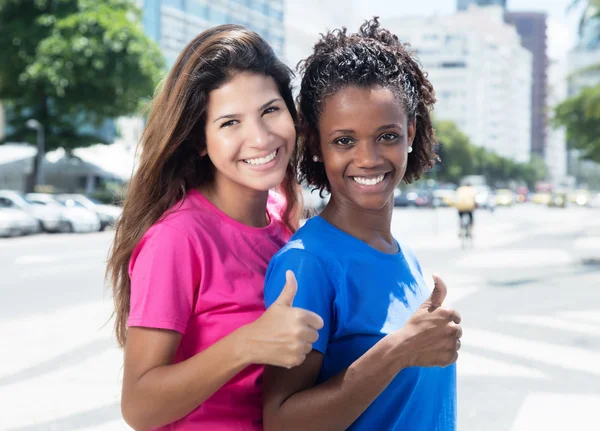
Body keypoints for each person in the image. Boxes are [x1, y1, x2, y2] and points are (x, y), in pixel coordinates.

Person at [106, 25, 324, 431]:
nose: (259, 137)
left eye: (270, 110)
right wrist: (246, 344)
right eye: (229, 123)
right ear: (199, 141)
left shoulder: (285, 226)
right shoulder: (177, 239)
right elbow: (138, 406)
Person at [262, 19, 462, 431]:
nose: (368, 158)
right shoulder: (308, 265)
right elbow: (282, 421)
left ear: (409, 133)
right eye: (344, 140)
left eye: (386, 136)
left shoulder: (405, 257)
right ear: (316, 145)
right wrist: (401, 349)